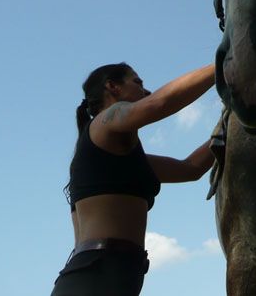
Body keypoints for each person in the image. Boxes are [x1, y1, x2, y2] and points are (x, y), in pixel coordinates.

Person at [51, 62, 217, 296]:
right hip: (97, 276)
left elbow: (190, 168)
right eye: (138, 83)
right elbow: (158, 103)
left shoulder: (120, 158)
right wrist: (225, 61)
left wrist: (229, 122)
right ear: (112, 87)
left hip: (104, 276)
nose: (146, 91)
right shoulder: (104, 121)